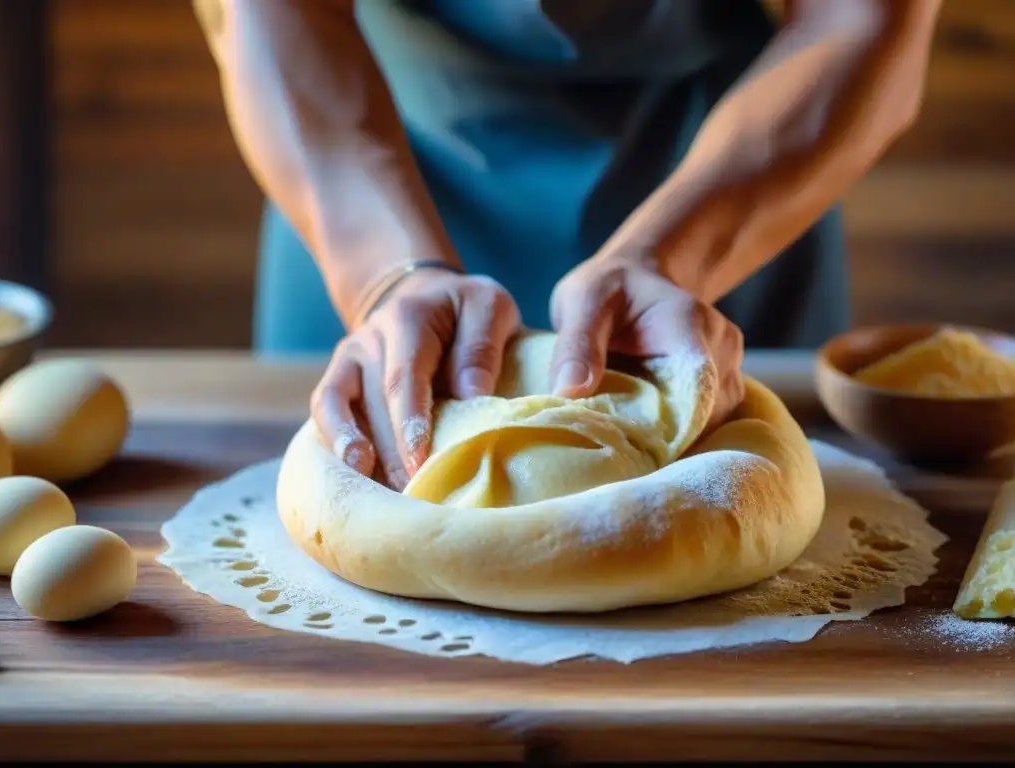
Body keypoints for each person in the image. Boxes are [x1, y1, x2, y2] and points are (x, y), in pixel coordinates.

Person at [195, 0, 941, 490]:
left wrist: (671, 256)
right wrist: (387, 279)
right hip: (366, 165)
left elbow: (862, 22)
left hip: (742, 165)